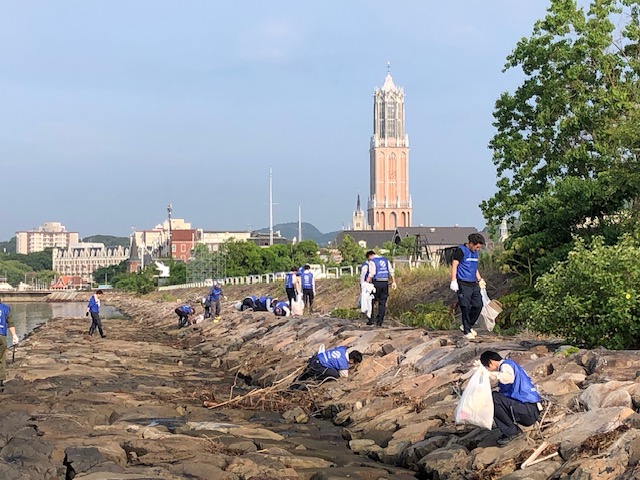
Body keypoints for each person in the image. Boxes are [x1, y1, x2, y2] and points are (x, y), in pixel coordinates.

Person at [480, 351, 542, 447]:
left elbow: (508, 378)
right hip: (529, 409)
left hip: (528, 410)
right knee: (496, 396)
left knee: (494, 398)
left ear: (491, 362)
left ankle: (512, 433)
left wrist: (490, 375)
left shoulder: (506, 365)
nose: (488, 369)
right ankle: (511, 430)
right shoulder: (512, 366)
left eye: (486, 366)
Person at [450, 233, 486, 339]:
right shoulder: (461, 251)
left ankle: (468, 325)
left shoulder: (475, 253)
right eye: (477, 247)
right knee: (465, 306)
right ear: (471, 243)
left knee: (478, 305)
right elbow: (454, 265)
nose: (477, 249)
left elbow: (474, 268)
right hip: (463, 283)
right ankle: (466, 331)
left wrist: (480, 279)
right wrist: (453, 280)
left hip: (473, 283)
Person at [365, 250, 397, 326]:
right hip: (385, 283)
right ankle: (380, 321)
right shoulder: (385, 260)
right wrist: (393, 282)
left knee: (371, 300)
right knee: (382, 303)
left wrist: (366, 282)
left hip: (376, 283)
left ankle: (371, 319)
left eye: (368, 259)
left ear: (370, 256)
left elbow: (372, 273)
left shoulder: (373, 261)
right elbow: (391, 271)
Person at [298, 346, 363, 382]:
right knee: (335, 374)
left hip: (315, 358)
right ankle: (315, 379)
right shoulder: (343, 364)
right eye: (355, 363)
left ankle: (294, 384)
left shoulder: (342, 349)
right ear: (351, 360)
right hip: (317, 365)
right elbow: (344, 376)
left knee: (303, 376)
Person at [0, 297, 19, 389]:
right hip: (2, 336)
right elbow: (10, 323)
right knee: (2, 358)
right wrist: (14, 335)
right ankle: (1, 380)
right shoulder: (6, 308)